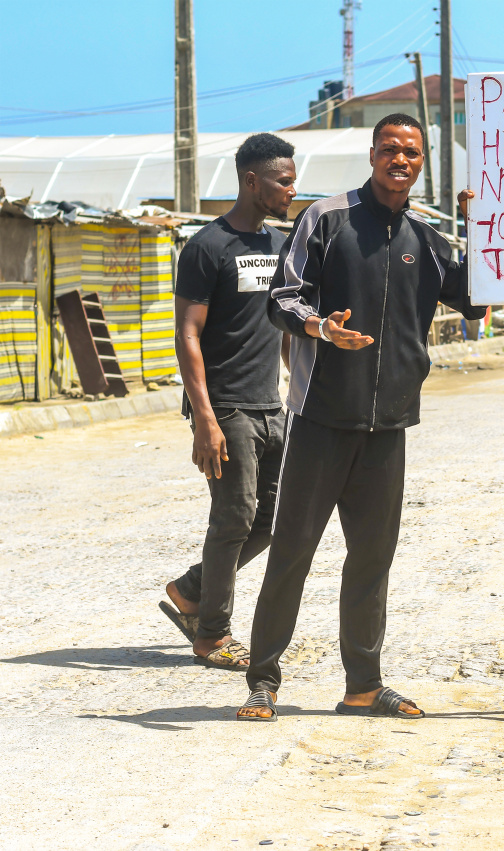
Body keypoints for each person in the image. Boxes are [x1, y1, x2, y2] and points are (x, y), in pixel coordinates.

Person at [236, 113, 487, 721]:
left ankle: (364, 687)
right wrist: (321, 328)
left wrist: (482, 225)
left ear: (421, 162)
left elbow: (475, 301)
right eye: (390, 149)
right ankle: (262, 681)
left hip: (388, 428)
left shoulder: (428, 240)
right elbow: (282, 297)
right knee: (292, 553)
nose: (400, 160)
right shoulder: (326, 219)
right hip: (321, 419)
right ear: (372, 154)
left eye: (411, 153)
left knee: (372, 561)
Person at [159, 133, 297, 668]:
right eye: (283, 181)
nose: (291, 190)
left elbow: (281, 325)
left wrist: (297, 386)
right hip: (226, 407)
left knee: (272, 519)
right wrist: (205, 419)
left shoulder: (280, 246)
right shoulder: (207, 246)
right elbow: (187, 334)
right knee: (234, 517)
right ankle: (212, 634)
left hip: (270, 405)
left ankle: (193, 589)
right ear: (251, 181)